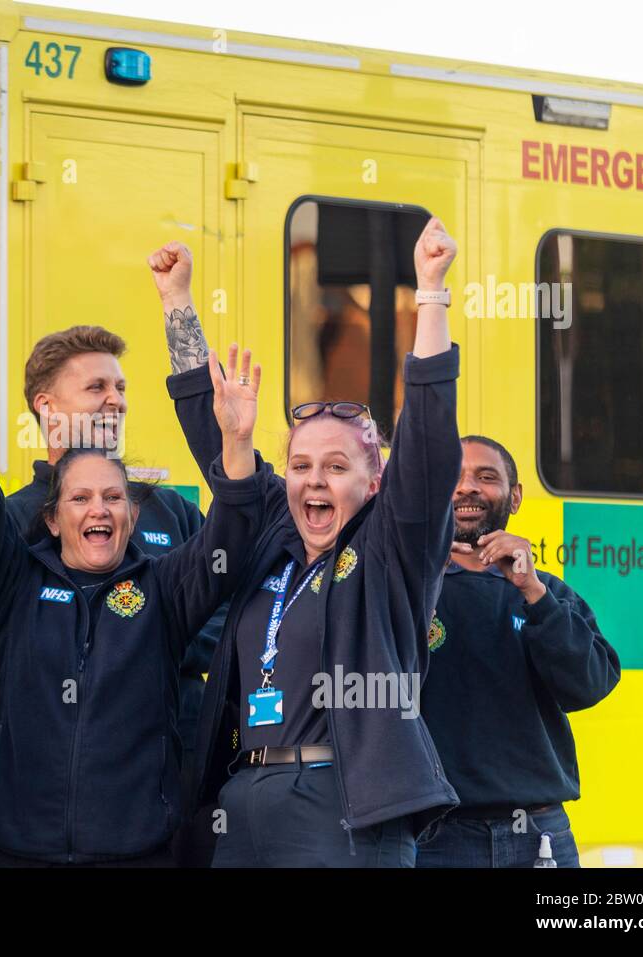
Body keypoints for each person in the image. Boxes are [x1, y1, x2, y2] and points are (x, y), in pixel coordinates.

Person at [148, 218, 463, 867]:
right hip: (243, 801)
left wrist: (430, 294)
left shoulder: (387, 552)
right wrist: (176, 300)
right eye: (300, 464)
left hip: (342, 808)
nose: (313, 479)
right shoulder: (275, 534)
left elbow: (430, 448)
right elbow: (217, 435)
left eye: (336, 466)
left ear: (376, 482)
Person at [0, 299, 268, 866]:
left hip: (139, 848)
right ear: (51, 516)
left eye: (115, 498)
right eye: (81, 498)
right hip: (16, 848)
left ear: (132, 516)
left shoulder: (161, 590)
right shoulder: (14, 581)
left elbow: (229, 541)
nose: (100, 509)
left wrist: (237, 446)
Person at [0, 325, 223, 771]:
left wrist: (151, 639)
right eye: (96, 387)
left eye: (120, 387)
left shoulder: (171, 509)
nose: (116, 400)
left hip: (177, 772)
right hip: (54, 775)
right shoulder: (13, 519)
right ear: (47, 406)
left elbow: (225, 616)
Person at [415, 435, 620, 868]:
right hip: (436, 839)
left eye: (485, 477)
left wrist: (533, 592)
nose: (466, 487)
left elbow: (589, 686)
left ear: (516, 496)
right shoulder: (405, 591)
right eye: (452, 477)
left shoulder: (549, 593)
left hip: (541, 837)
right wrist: (426, 582)